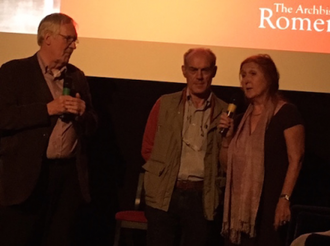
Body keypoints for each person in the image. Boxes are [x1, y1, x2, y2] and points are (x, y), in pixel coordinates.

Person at [0, 13, 97, 245]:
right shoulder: (15, 72)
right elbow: (3, 117)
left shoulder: (77, 76)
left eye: (75, 40)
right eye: (68, 39)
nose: (73, 45)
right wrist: (47, 109)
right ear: (47, 38)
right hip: (28, 177)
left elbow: (94, 126)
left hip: (66, 179)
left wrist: (84, 113)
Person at [141, 48, 228, 246]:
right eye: (193, 70)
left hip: (202, 196)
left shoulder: (225, 112)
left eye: (205, 70)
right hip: (165, 193)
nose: (199, 76)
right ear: (183, 71)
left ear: (214, 72)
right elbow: (147, 147)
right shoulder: (165, 104)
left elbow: (227, 159)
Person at [219, 54, 305, 246]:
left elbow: (296, 159)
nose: (246, 80)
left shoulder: (286, 113)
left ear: (269, 78)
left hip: (270, 205)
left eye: (252, 74)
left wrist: (284, 199)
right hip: (241, 211)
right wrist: (227, 139)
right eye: (242, 75)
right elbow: (227, 167)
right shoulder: (240, 120)